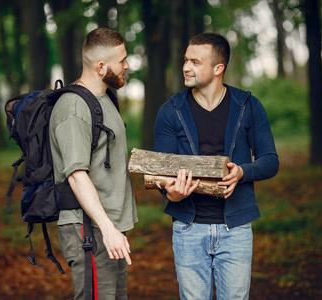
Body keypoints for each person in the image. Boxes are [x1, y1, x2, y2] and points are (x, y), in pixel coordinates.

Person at [154, 32, 279, 299]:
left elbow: (270, 160)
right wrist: (170, 193)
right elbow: (163, 172)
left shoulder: (248, 106)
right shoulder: (170, 110)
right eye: (186, 60)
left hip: (236, 229)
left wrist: (243, 172)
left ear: (218, 68)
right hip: (188, 228)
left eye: (196, 62)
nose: (186, 67)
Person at [49, 28, 138, 299]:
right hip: (89, 230)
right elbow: (76, 174)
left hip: (107, 228)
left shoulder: (105, 98)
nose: (127, 65)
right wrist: (108, 229)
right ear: (101, 66)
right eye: (122, 59)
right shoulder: (74, 107)